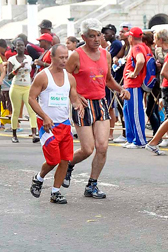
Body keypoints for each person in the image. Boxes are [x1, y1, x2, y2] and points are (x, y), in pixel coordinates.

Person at [63, 19, 130, 199]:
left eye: (98, 35)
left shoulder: (105, 54)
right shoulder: (76, 55)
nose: (96, 39)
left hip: (100, 102)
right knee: (87, 149)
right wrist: (75, 96)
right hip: (82, 105)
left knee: (102, 147)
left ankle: (92, 185)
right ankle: (69, 165)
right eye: (91, 36)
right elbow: (65, 77)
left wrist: (121, 89)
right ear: (84, 37)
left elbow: (107, 78)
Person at [29, 44, 83, 204]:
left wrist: (78, 105)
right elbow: (31, 98)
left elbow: (73, 97)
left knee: (65, 159)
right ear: (51, 57)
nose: (64, 60)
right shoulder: (42, 76)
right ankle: (38, 178)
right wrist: (44, 117)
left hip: (65, 125)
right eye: (61, 57)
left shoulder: (70, 78)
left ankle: (55, 191)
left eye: (66, 57)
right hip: (48, 126)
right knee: (53, 160)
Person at [121, 27, 150, 149]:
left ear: (131, 37)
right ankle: (132, 138)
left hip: (134, 84)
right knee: (128, 112)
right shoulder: (144, 47)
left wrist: (134, 74)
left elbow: (141, 61)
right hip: (130, 85)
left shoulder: (137, 48)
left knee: (135, 113)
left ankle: (139, 140)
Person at [7, 38, 38, 143]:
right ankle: (14, 134)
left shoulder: (29, 58)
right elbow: (9, 76)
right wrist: (18, 68)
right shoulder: (12, 60)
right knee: (16, 111)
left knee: (31, 110)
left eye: (22, 45)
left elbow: (32, 69)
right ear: (15, 47)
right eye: (18, 45)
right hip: (16, 87)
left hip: (27, 87)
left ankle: (34, 133)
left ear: (25, 47)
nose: (20, 47)